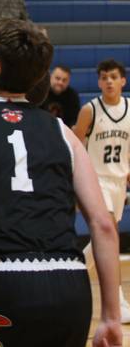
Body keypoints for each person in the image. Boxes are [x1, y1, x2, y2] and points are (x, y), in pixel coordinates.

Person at [0, 19, 122, 347]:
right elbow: (102, 224)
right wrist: (111, 316)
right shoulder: (63, 132)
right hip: (69, 286)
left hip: (0, 281)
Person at [73, 58, 130, 323]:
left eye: (113, 77)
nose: (108, 81)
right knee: (110, 235)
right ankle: (118, 301)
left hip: (118, 182)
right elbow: (76, 143)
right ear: (99, 82)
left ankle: (73, 273)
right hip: (96, 181)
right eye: (104, 77)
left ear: (123, 81)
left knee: (103, 239)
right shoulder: (90, 110)